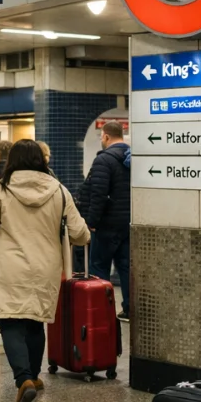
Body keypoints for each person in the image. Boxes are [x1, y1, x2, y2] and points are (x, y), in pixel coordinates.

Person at [0, 140, 90, 402]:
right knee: (36, 322)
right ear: (42, 160)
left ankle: (23, 379)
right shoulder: (59, 190)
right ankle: (34, 376)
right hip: (44, 268)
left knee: (11, 322)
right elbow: (80, 233)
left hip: (7, 266)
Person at [79, 121, 132, 321]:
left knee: (99, 266)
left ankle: (100, 309)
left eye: (102, 136)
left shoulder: (104, 160)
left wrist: (91, 221)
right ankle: (128, 309)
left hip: (106, 225)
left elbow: (98, 195)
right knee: (125, 267)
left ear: (106, 136)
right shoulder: (132, 158)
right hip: (126, 224)